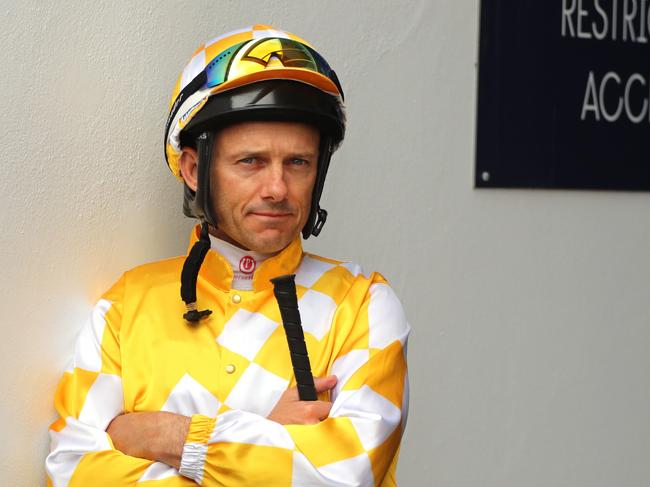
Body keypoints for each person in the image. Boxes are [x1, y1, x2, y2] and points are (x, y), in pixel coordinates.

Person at [46, 25, 410, 486]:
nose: (277, 188)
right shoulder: (123, 306)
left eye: (298, 162)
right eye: (251, 161)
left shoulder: (364, 305)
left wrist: (167, 436)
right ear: (194, 169)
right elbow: (72, 473)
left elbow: (340, 476)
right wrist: (265, 445)